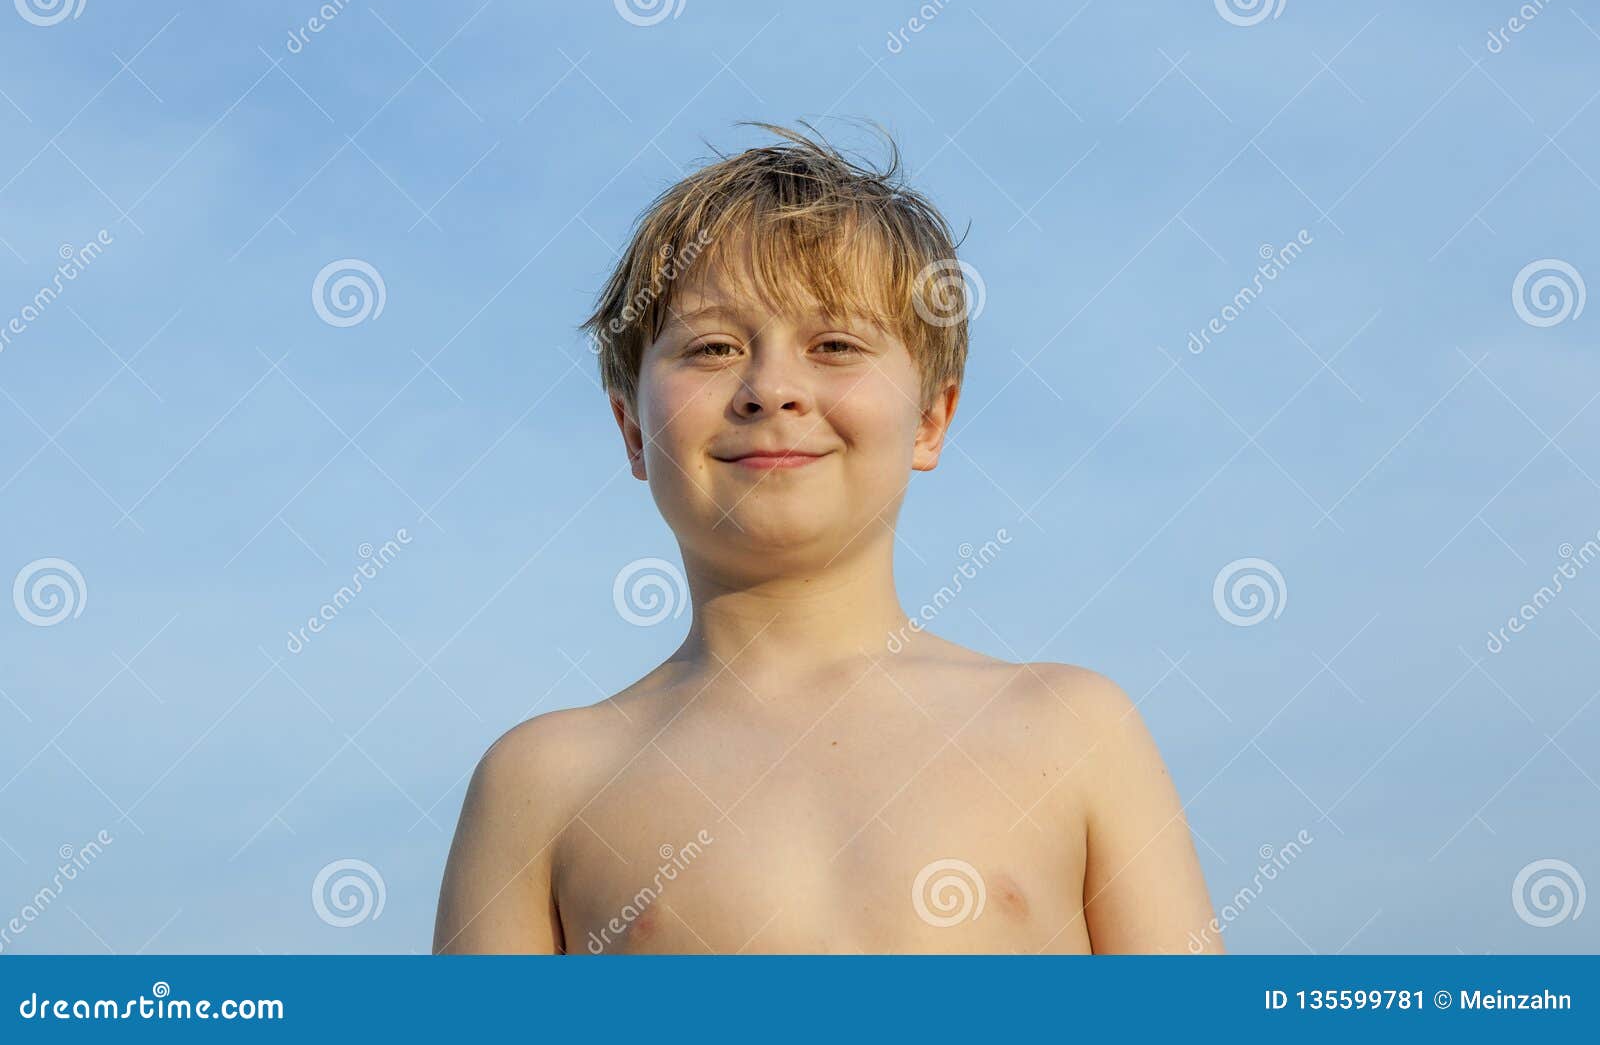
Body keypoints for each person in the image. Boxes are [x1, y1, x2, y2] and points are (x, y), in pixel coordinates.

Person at [432, 121, 1220, 954]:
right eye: (713, 346)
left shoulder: (1070, 730)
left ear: (931, 419)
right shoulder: (543, 784)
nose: (771, 388)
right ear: (632, 429)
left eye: (835, 343)